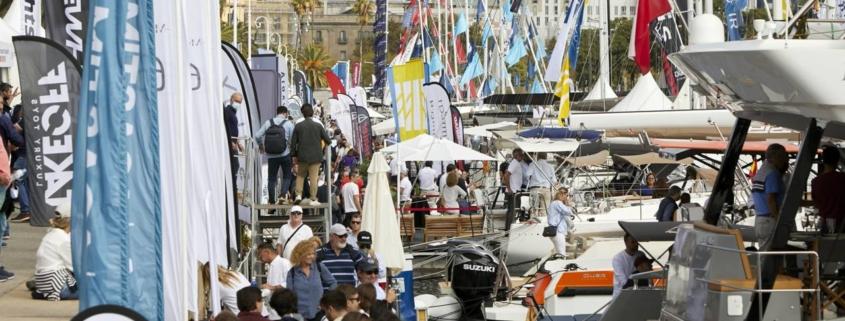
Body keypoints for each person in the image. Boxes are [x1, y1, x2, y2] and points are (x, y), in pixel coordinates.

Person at [31, 203, 76, 301]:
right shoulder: (64, 240)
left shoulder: (52, 233)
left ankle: (42, 290)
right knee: (92, 291)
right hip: (59, 285)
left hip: (44, 281)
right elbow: (74, 267)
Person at [287, 238, 337, 321]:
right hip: (299, 316)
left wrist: (325, 299)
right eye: (308, 254)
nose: (312, 256)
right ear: (300, 255)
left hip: (319, 314)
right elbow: (289, 296)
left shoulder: (319, 267)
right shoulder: (292, 273)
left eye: (313, 254)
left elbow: (333, 283)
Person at [290, 104, 332, 205]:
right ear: (312, 113)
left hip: (302, 156)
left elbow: (293, 143)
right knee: (314, 177)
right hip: (316, 156)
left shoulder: (298, 126)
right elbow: (328, 140)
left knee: (300, 175)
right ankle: (313, 197)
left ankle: (298, 195)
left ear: (302, 113)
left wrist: (294, 156)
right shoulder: (318, 126)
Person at [751, 143, 788, 251]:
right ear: (776, 157)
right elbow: (771, 199)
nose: (785, 160)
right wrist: (778, 221)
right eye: (783, 157)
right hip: (769, 220)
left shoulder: (760, 172)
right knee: (771, 257)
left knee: (764, 255)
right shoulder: (773, 173)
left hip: (760, 220)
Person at [257, 106, 296, 205]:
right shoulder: (288, 124)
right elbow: (293, 140)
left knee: (271, 178)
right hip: (285, 154)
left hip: (271, 156)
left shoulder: (268, 122)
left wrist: (261, 146)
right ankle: (283, 195)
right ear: (285, 113)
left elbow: (257, 135)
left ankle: (271, 202)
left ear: (277, 112)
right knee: (287, 176)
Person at [812, 145, 845, 233]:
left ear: (823, 160)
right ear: (838, 160)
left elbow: (817, 203)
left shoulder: (816, 181)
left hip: (825, 224)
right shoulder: (843, 178)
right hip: (842, 223)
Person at [612, 233, 645, 298]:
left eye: (637, 242)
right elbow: (623, 281)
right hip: (621, 294)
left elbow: (646, 272)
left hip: (638, 292)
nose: (636, 244)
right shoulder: (618, 258)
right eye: (633, 242)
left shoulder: (641, 254)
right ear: (626, 242)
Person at [225, 93, 244, 194]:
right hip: (229, 144)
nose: (238, 104)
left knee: (235, 166)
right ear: (231, 99)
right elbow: (226, 128)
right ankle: (233, 188)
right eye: (236, 101)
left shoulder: (233, 113)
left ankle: (234, 188)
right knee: (234, 166)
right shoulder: (227, 112)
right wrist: (230, 142)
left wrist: (238, 143)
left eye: (239, 102)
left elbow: (234, 130)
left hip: (233, 143)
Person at [546, 188, 574, 257]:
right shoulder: (557, 203)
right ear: (563, 195)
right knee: (562, 253)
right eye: (567, 196)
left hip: (554, 231)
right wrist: (569, 204)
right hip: (558, 232)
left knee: (559, 252)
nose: (567, 198)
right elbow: (568, 212)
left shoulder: (554, 203)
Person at [503, 149, 525, 229]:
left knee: (512, 211)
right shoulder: (515, 163)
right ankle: (509, 230)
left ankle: (508, 230)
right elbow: (506, 175)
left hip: (514, 190)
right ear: (517, 155)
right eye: (522, 155)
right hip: (513, 191)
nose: (523, 157)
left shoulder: (515, 163)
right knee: (513, 212)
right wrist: (509, 189)